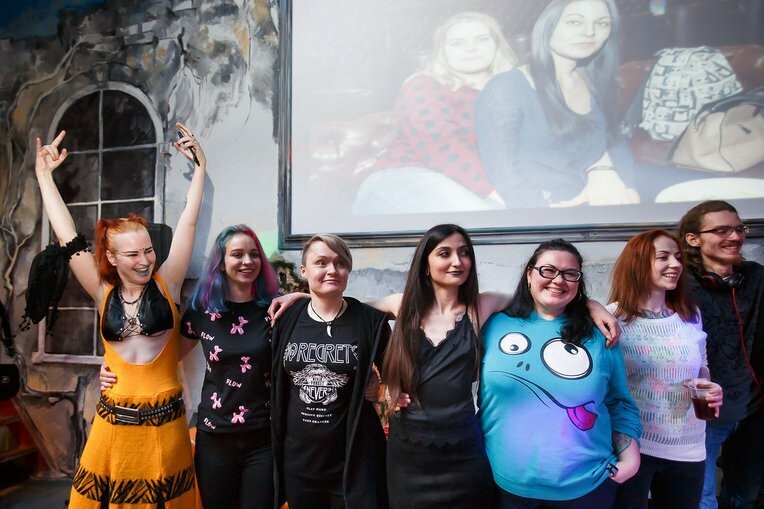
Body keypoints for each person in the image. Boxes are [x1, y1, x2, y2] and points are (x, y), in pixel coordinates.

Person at [35, 125, 205, 508]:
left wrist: (200, 169)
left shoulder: (168, 281)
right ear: (111, 257)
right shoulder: (102, 290)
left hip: (165, 422)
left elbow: (188, 224)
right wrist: (44, 176)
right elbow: (66, 235)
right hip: (114, 420)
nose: (145, 260)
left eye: (148, 251)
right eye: (132, 254)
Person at [100, 225, 280, 509]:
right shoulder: (202, 311)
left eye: (254, 254)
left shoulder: (275, 310)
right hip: (215, 436)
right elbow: (164, 356)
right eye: (237, 254)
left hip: (264, 436)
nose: (247, 261)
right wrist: (112, 365)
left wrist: (299, 297)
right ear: (222, 263)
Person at [479, 239, 642, 508]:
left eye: (570, 274)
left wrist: (630, 457)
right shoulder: (493, 324)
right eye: (548, 270)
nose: (558, 280)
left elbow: (619, 402)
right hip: (505, 486)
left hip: (587, 485)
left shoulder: (601, 333)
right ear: (529, 274)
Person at [475, 0, 639, 208]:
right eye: (574, 22)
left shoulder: (595, 80)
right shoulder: (505, 87)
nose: (589, 32)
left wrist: (627, 184)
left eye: (602, 23)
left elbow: (615, 139)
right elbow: (505, 172)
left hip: (599, 191)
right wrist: (545, 214)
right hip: (551, 205)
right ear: (547, 25)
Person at [352, 11, 517, 214]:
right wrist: (509, 194)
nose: (471, 48)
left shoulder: (514, 91)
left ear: (497, 45)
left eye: (482, 39)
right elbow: (444, 147)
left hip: (470, 186)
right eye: (457, 43)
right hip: (404, 176)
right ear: (442, 52)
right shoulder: (423, 85)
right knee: (488, 218)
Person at [270, 234, 391, 509]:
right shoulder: (284, 319)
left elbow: (395, 378)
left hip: (354, 464)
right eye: (321, 263)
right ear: (304, 271)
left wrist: (380, 389)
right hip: (299, 464)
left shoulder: (370, 321)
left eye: (340, 263)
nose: (332, 270)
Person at [607, 229, 723, 509]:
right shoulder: (611, 316)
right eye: (663, 257)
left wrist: (709, 386)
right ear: (638, 264)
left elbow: (701, 367)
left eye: (678, 257)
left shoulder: (690, 314)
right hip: (633, 444)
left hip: (688, 446)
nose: (676, 264)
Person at [678, 200, 764, 509]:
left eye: (739, 229)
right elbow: (627, 306)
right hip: (703, 415)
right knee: (700, 498)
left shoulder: (755, 277)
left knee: (744, 496)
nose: (735, 236)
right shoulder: (676, 283)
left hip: (753, 410)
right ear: (693, 239)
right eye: (722, 230)